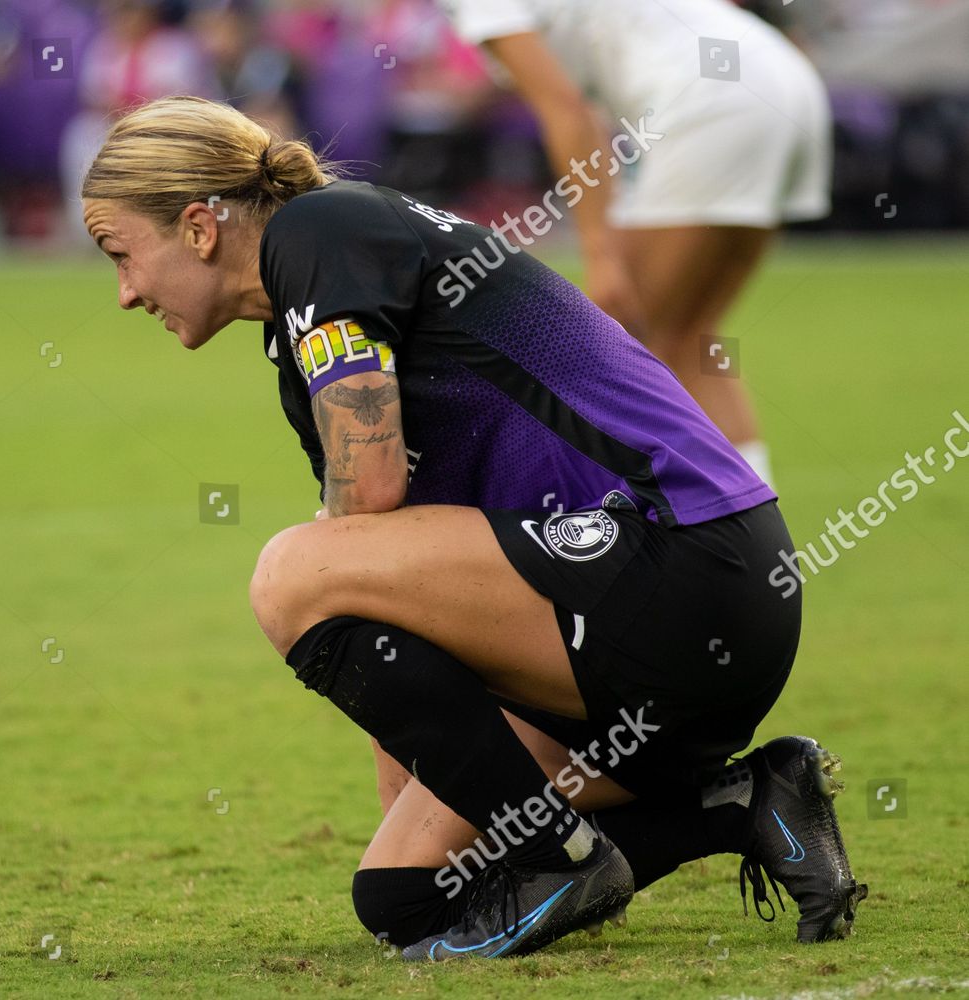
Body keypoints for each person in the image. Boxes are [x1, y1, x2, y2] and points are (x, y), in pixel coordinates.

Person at [80, 96, 864, 960]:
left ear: (197, 226)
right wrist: (422, 783)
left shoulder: (318, 231)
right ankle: (749, 800)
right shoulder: (297, 329)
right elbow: (388, 579)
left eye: (120, 254)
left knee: (287, 572)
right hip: (640, 633)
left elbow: (367, 498)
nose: (123, 294)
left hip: (686, 563)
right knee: (409, 897)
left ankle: (561, 858)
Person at [443, 0, 834, 487]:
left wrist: (601, 254)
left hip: (711, 99)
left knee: (619, 350)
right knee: (691, 342)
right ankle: (762, 537)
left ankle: (668, 537)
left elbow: (566, 111)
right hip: (784, 82)